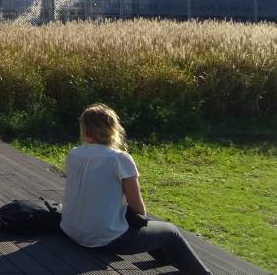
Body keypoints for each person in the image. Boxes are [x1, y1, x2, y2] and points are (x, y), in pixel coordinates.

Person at [61, 104, 212, 274]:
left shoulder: (74, 153)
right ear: (112, 128)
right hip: (104, 239)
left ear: (85, 129)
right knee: (170, 232)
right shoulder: (119, 158)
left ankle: (173, 261)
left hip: (71, 230)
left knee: (150, 232)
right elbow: (138, 207)